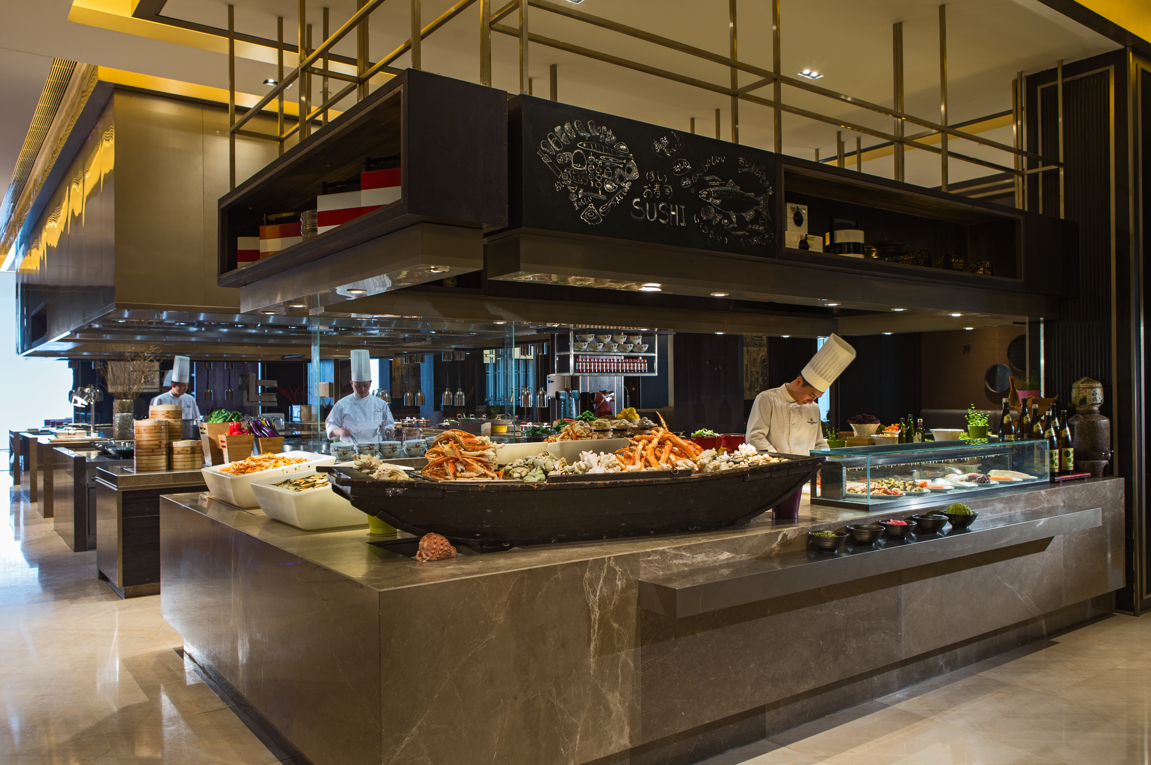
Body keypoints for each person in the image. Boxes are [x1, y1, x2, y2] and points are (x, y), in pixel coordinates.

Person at [745, 334, 857, 519]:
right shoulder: (767, 399)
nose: (812, 401)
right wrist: (781, 464)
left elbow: (819, 442)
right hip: (777, 478)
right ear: (798, 382)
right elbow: (755, 437)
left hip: (805, 481)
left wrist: (824, 464)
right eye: (811, 395)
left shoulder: (813, 408)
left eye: (816, 398)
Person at [326, 349, 395, 442]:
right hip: (350, 448)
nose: (362, 389)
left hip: (374, 448)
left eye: (365, 386)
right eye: (358, 386)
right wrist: (339, 431)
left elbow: (388, 424)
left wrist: (389, 429)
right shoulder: (342, 404)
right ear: (351, 384)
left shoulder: (381, 404)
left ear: (370, 383)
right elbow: (330, 424)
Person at [150, 355, 201, 421]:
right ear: (173, 385)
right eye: (183, 386)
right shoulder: (160, 400)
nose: (185, 388)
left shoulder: (190, 399)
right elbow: (154, 421)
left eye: (187, 385)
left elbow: (197, 419)